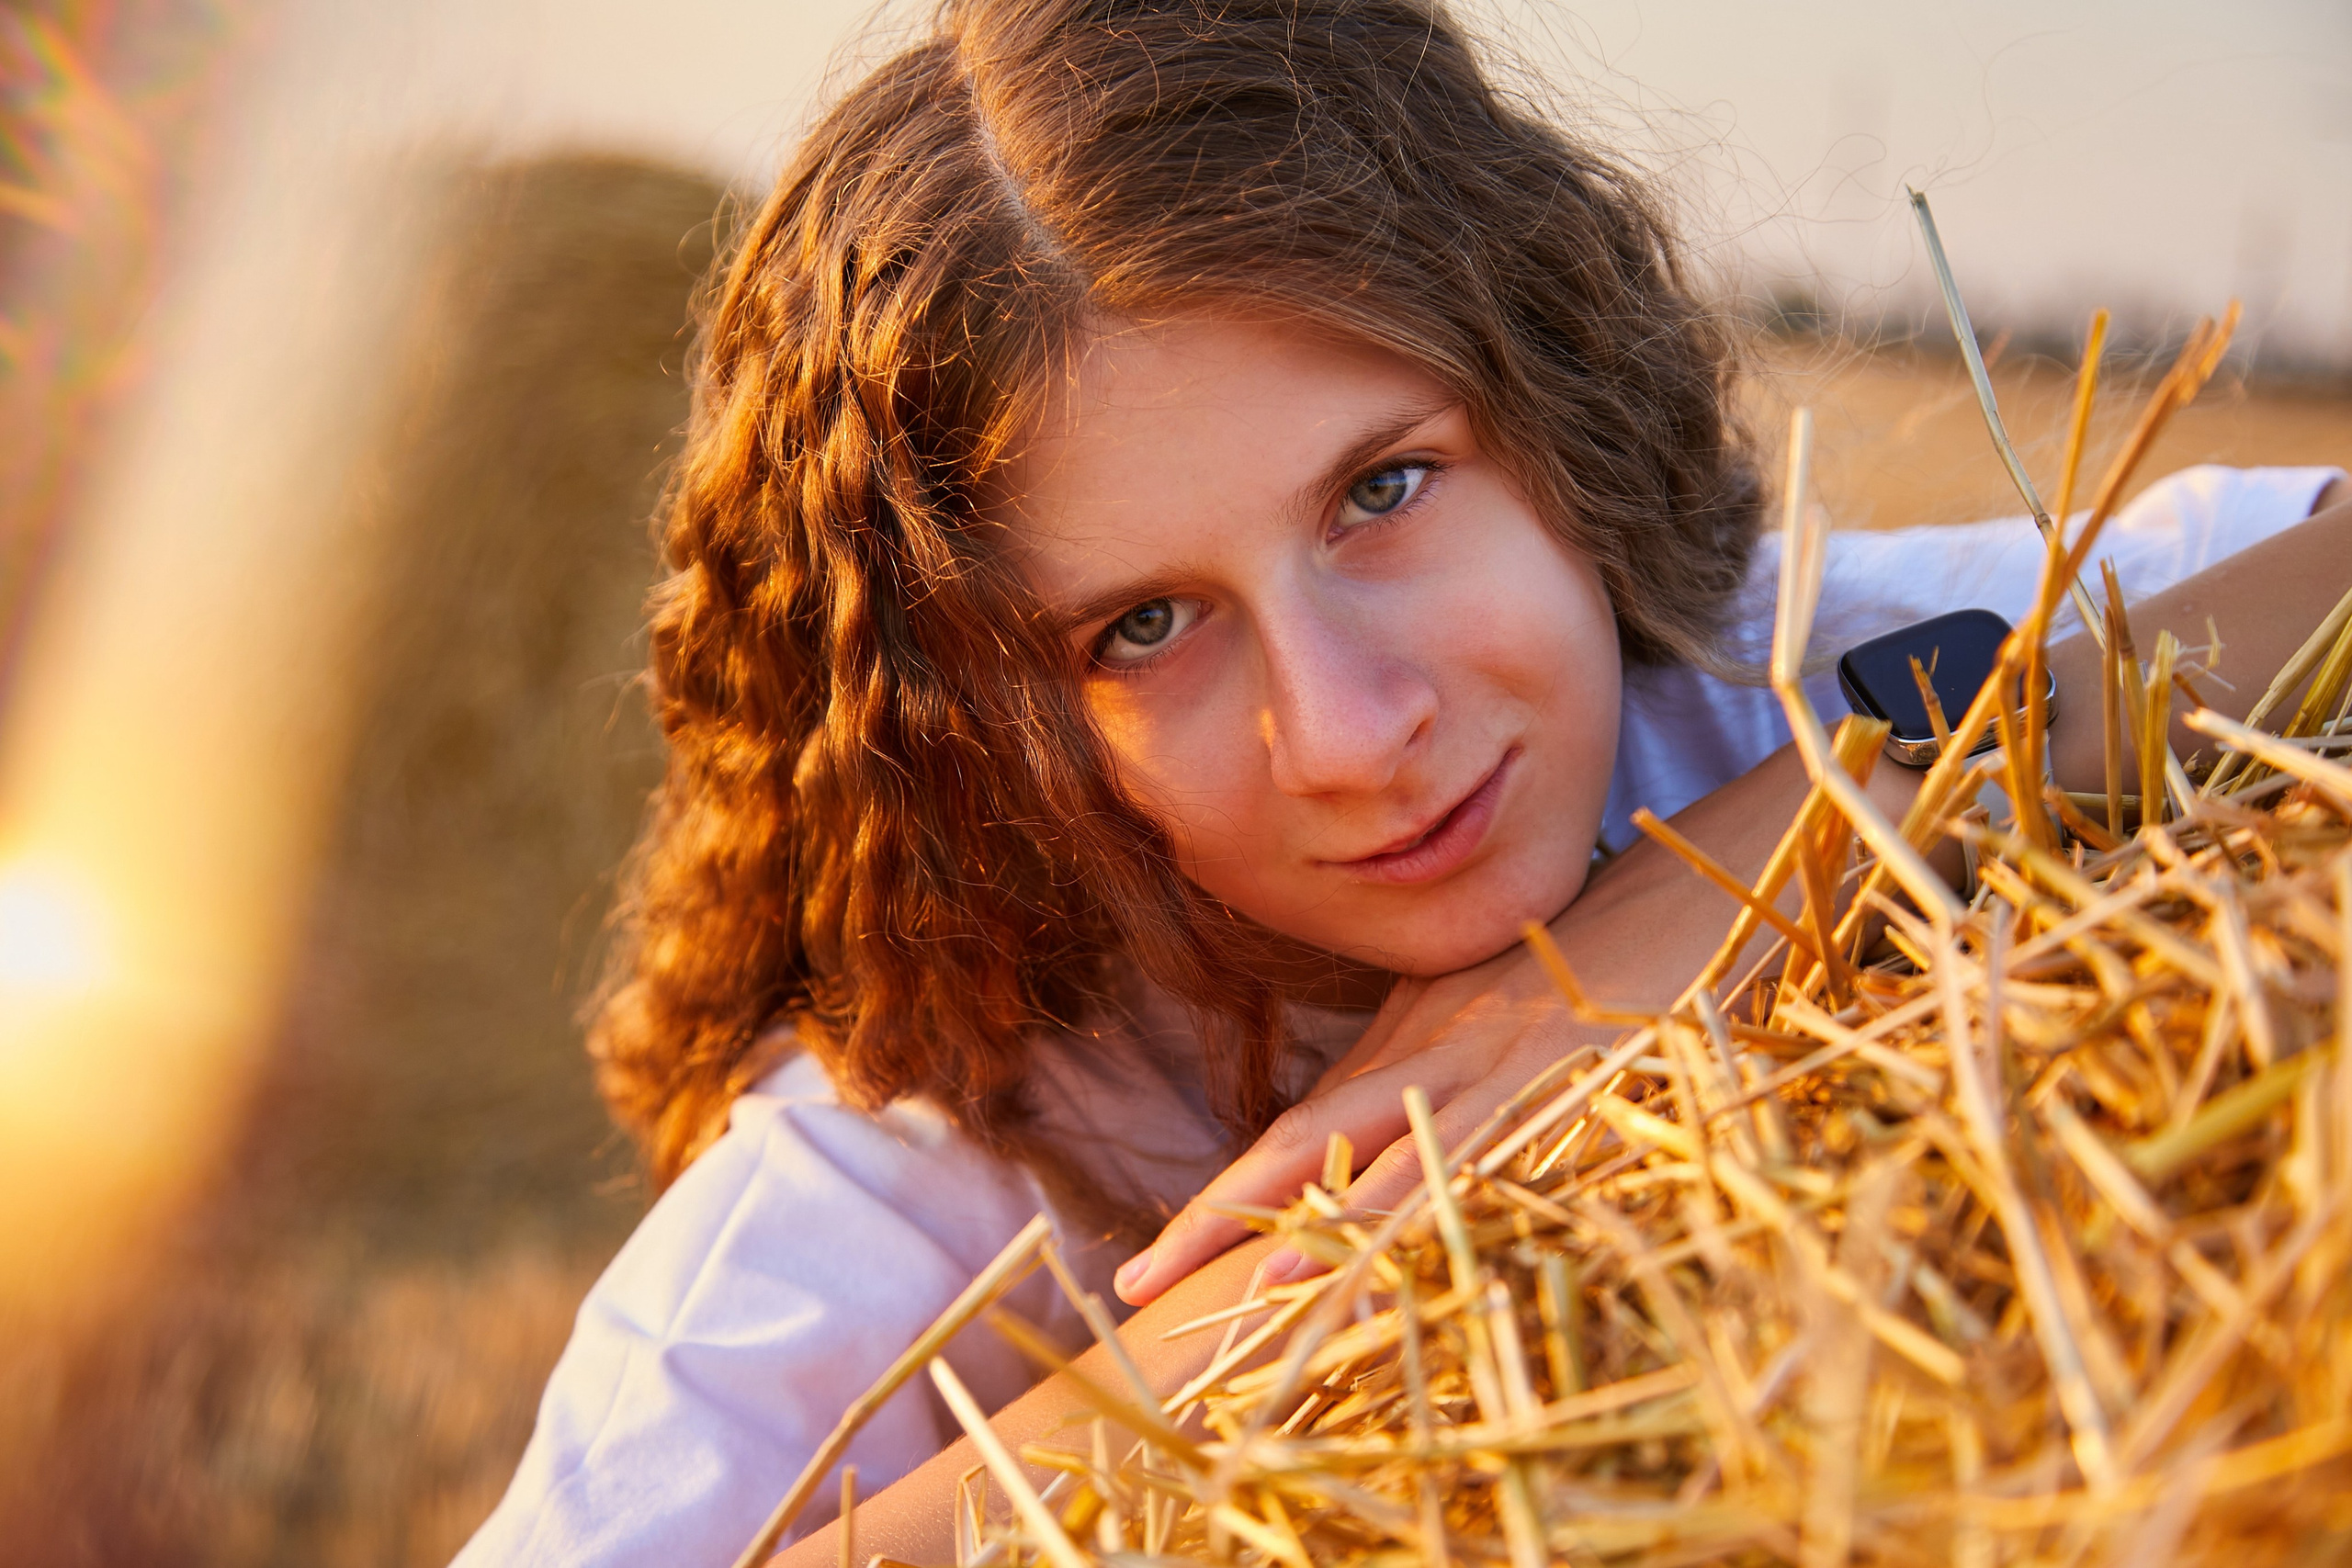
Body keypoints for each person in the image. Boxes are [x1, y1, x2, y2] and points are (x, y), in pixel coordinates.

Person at [451, 0, 2351, 1562]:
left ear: (1545, 385)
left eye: (1381, 488)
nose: (1351, 729)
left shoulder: (1776, 688)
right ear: (980, 724)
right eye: (1138, 628)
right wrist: (1224, 1342)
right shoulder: (907, 1183)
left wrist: (1759, 859)